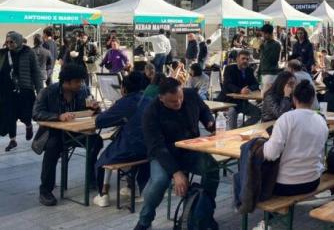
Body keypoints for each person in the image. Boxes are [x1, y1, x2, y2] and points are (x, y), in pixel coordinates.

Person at [135, 78, 219, 230]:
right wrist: (176, 172)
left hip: (190, 150)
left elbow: (204, 110)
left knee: (212, 168)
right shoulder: (151, 112)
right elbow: (156, 147)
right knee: (160, 181)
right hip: (164, 154)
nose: (179, 102)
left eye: (180, 97)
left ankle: (203, 213)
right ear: (161, 98)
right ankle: (144, 221)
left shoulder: (191, 95)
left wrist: (209, 122)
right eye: (173, 101)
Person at [32, 64, 103, 206]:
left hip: (76, 132)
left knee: (96, 141)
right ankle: (45, 190)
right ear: (66, 82)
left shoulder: (82, 91)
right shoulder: (48, 92)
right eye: (77, 82)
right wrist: (58, 116)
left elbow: (88, 111)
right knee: (52, 147)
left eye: (81, 81)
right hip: (55, 133)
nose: (81, 84)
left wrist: (94, 108)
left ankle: (91, 178)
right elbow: (36, 114)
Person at [93, 72, 152, 207]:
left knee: (104, 158)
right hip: (149, 149)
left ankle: (103, 194)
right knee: (125, 147)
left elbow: (100, 121)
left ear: (123, 88)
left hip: (131, 149)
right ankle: (134, 188)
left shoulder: (125, 102)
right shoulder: (150, 100)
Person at [263, 80, 328, 196]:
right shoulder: (321, 120)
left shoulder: (286, 119)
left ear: (294, 99)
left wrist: (264, 144)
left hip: (285, 184)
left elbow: (270, 154)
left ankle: (271, 213)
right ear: (313, 99)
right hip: (313, 181)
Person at [4, 31, 43, 152]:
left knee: (26, 114)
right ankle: (13, 140)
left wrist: (40, 91)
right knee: (10, 115)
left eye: (12, 42)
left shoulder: (29, 52)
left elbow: (36, 73)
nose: (9, 44)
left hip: (26, 89)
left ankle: (28, 125)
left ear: (19, 41)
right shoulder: (5, 54)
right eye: (7, 42)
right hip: (9, 90)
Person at [219, 49, 261, 128]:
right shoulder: (229, 69)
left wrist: (249, 89)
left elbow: (256, 84)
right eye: (243, 59)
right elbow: (227, 84)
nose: (245, 61)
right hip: (229, 101)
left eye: (247, 59)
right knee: (232, 112)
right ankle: (232, 134)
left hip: (242, 101)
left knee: (258, 113)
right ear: (237, 59)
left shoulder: (249, 70)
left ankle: (240, 129)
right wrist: (240, 90)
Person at [258, 24, 282, 94]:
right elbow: (262, 59)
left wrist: (262, 48)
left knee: (267, 95)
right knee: (263, 94)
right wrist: (259, 71)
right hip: (263, 73)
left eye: (264, 34)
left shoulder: (276, 44)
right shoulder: (265, 43)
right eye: (262, 34)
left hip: (271, 73)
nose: (263, 36)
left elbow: (273, 59)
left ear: (269, 33)